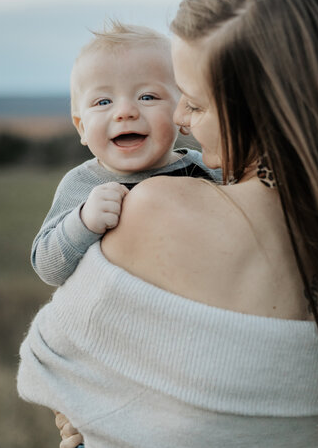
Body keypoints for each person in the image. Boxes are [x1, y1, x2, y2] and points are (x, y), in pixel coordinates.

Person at [18, 0, 318, 448]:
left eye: (193, 101)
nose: (182, 120)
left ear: (258, 108)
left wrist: (90, 416)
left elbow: (55, 374)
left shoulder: (153, 209)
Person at [31, 21, 220, 286]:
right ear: (82, 127)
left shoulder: (205, 170)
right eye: (104, 102)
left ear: (183, 112)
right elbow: (48, 268)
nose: (125, 112)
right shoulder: (83, 186)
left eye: (147, 97)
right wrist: (84, 221)